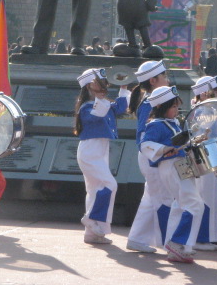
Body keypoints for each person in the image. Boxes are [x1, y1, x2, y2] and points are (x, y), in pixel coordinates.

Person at [141, 86, 205, 264]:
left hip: (180, 165)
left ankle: (178, 246)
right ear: (161, 106)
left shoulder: (173, 123)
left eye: (177, 107)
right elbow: (145, 145)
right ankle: (178, 243)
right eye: (173, 106)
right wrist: (164, 149)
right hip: (172, 166)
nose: (177, 110)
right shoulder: (155, 125)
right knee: (194, 204)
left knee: (181, 204)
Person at [74, 68, 129, 244]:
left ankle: (92, 233)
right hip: (90, 150)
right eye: (101, 82)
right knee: (109, 184)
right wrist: (102, 96)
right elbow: (99, 113)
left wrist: (123, 87)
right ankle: (90, 218)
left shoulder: (101, 102)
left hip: (99, 149)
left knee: (94, 190)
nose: (105, 85)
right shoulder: (87, 106)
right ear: (90, 84)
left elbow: (120, 108)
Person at [126, 60, 170, 253]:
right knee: (159, 197)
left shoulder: (152, 100)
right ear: (153, 80)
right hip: (152, 156)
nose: (168, 80)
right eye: (164, 76)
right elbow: (145, 136)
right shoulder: (151, 102)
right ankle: (166, 241)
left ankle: (139, 239)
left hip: (154, 155)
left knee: (152, 198)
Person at [190, 76, 217, 250]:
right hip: (204, 155)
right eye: (215, 91)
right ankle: (201, 237)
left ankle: (211, 236)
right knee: (204, 196)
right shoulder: (202, 111)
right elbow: (204, 134)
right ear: (204, 93)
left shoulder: (211, 109)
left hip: (212, 154)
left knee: (210, 196)